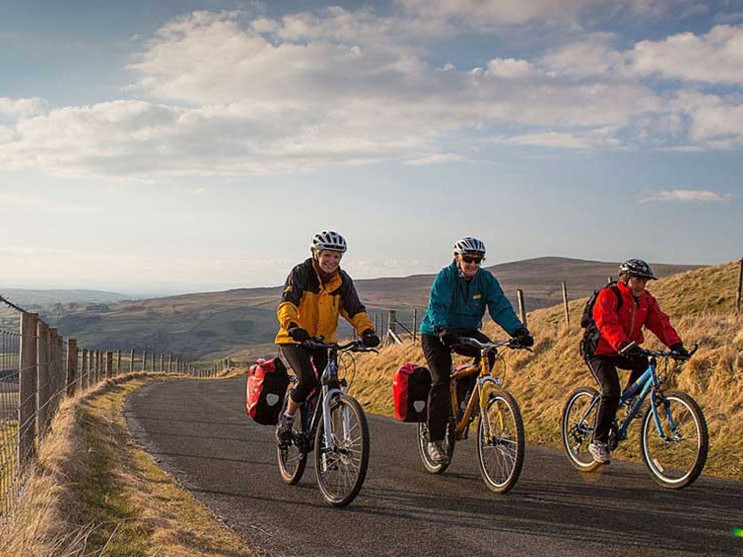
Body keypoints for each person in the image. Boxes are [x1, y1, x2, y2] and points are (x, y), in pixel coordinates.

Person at [419, 236, 533, 464]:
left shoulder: (486, 280)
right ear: (457, 258)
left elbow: (500, 307)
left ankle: (462, 400)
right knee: (441, 380)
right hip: (436, 332)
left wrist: (518, 331)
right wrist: (441, 328)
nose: (473, 264)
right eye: (468, 259)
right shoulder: (446, 277)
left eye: (478, 260)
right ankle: (435, 440)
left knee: (489, 352)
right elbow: (437, 305)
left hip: (467, 330)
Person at [275, 230, 380, 445]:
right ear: (316, 254)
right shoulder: (301, 273)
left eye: (336, 256)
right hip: (294, 339)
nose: (331, 261)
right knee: (307, 379)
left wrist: (367, 331)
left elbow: (354, 310)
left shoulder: (342, 281)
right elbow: (288, 303)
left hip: (323, 341)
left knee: (330, 385)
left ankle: (324, 434)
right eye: (327, 255)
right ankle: (287, 421)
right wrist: (293, 326)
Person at [586, 258, 689, 465]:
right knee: (611, 391)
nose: (641, 285)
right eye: (637, 280)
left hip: (624, 348)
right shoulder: (609, 295)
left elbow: (660, 323)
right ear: (624, 278)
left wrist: (676, 345)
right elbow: (607, 323)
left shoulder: (646, 300)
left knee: (645, 361)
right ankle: (598, 441)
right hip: (599, 350)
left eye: (644, 281)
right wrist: (623, 344)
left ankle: (632, 399)